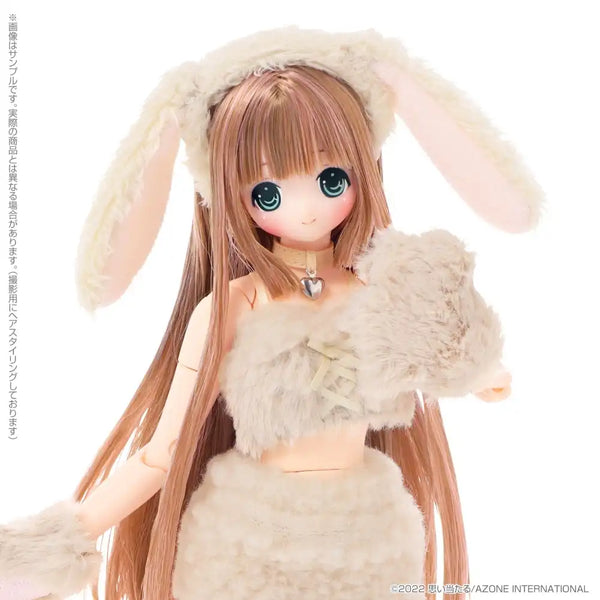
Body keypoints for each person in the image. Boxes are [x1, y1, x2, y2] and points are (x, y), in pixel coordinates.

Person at [0, 26, 543, 600]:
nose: (306, 208)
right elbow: (162, 454)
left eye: (331, 179)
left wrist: (480, 370)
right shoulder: (235, 305)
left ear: (364, 168)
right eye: (268, 193)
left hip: (366, 542)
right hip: (248, 543)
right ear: (230, 196)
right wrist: (59, 543)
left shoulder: (383, 291)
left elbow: (446, 354)